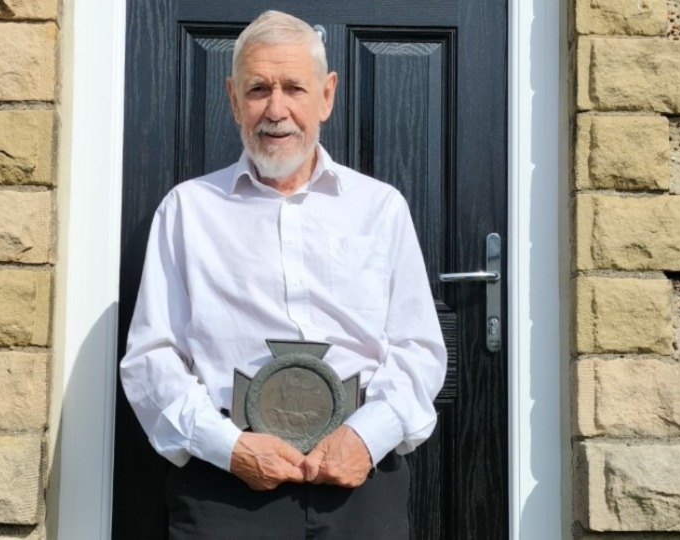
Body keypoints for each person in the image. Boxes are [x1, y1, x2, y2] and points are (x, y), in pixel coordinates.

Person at [120, 10, 447, 539]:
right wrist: (226, 447)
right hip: (226, 485)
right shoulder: (187, 211)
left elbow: (419, 347)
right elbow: (150, 357)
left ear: (326, 95)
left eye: (294, 88)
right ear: (232, 98)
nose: (276, 110)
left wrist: (367, 437)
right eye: (257, 90)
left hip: (358, 480)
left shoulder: (380, 208)